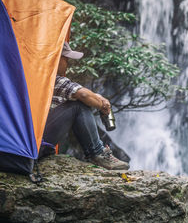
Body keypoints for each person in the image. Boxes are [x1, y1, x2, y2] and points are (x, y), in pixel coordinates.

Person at [39, 42, 129, 170]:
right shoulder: (50, 78)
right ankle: (98, 153)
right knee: (78, 105)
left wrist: (98, 97)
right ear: (56, 59)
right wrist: (103, 106)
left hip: (32, 142)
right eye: (66, 59)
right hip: (37, 143)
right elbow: (83, 95)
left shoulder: (36, 74)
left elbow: (80, 92)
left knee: (77, 100)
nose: (68, 63)